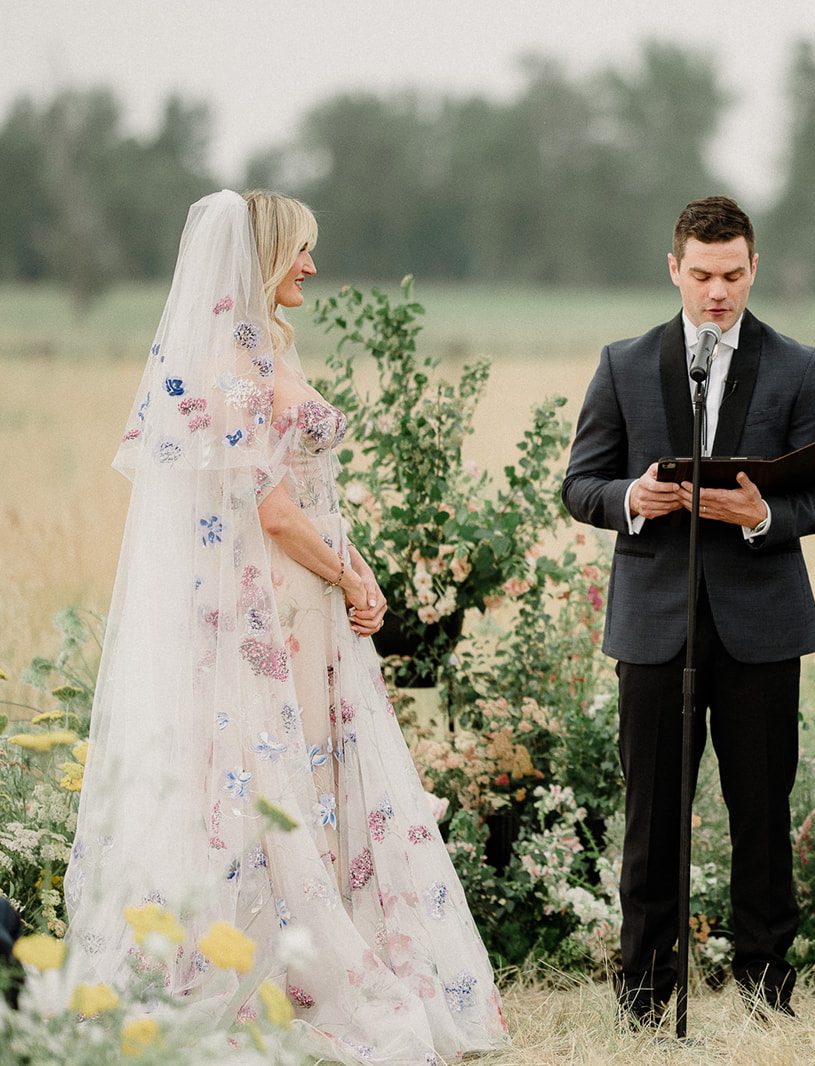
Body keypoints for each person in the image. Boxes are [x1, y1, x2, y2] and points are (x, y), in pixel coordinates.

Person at [65, 190, 508, 1063]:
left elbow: (305, 493)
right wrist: (343, 572)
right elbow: (265, 508)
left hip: (310, 592)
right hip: (275, 603)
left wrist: (357, 567)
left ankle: (306, 957)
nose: (312, 265)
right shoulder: (229, 360)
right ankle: (270, 974)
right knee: (272, 781)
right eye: (302, 250)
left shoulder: (270, 343)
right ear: (266, 254)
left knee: (311, 773)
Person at [563, 196, 815, 1024]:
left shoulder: (797, 365)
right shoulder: (623, 363)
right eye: (701, 275)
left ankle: (765, 992)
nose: (717, 292)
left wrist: (759, 516)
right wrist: (635, 498)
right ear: (674, 270)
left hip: (762, 628)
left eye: (732, 275)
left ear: (753, 268)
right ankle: (645, 997)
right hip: (654, 627)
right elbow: (580, 484)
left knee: (763, 812)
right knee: (653, 818)